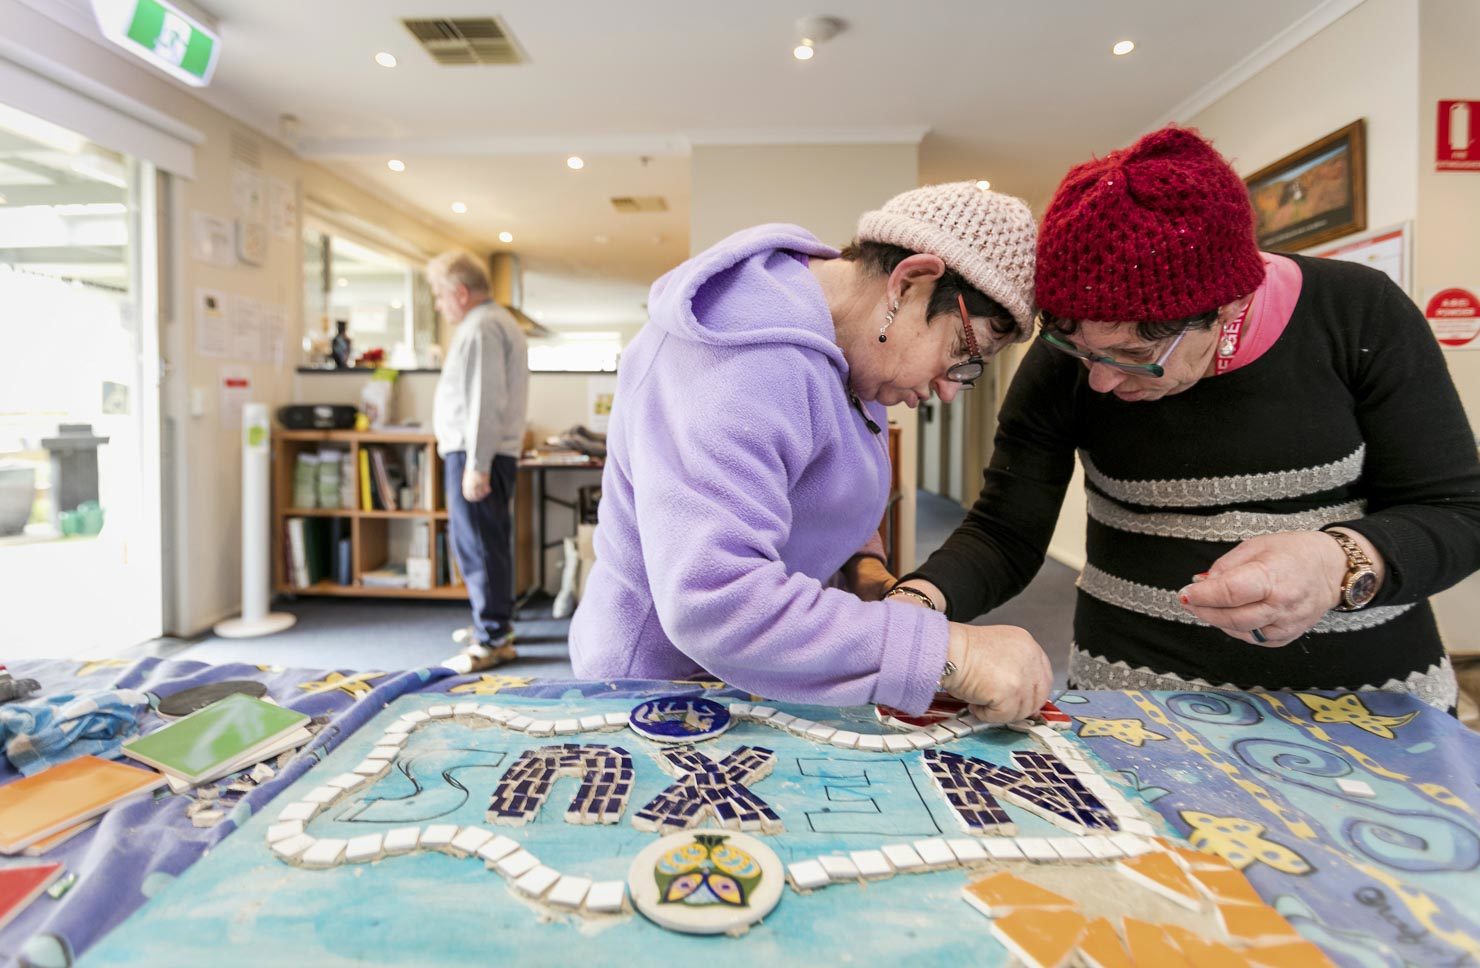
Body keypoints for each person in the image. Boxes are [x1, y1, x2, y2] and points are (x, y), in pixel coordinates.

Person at [891, 127, 1480, 711]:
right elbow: (1005, 531)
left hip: (1367, 699)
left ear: (1227, 310)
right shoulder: (1066, 359)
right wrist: (915, 606)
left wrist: (1341, 562)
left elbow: (1457, 512)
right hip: (1140, 696)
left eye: (1134, 358)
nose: (1099, 380)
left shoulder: (1359, 313)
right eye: (1080, 352)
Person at [570, 184, 1053, 720]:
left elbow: (813, 478)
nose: (947, 388)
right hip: (660, 690)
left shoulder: (849, 347)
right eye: (963, 352)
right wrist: (949, 651)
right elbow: (713, 601)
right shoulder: (738, 369)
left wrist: (861, 561)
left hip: (762, 672)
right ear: (910, 283)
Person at [427, 251, 530, 673]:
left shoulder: (483, 326)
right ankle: (494, 627)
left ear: (461, 292)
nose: (438, 304)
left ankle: (492, 639)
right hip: (482, 452)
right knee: (487, 543)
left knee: (479, 546)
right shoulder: (495, 322)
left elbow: (485, 400)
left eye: (439, 295)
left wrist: (477, 463)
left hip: (478, 454)